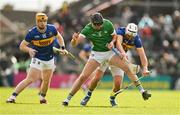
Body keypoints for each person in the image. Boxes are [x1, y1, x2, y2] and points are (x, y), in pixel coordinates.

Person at [62, 12, 151, 106]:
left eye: (100, 24)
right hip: (97, 54)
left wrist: (112, 42)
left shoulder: (108, 24)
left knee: (127, 70)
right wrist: (74, 40)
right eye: (96, 24)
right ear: (91, 22)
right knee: (87, 77)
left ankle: (142, 91)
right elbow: (74, 44)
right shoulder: (87, 29)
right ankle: (69, 99)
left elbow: (114, 37)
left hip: (111, 53)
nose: (98, 26)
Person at [6, 12, 68, 104]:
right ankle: (12, 97)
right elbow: (22, 46)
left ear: (46, 21)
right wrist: (29, 50)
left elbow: (59, 37)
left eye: (44, 21)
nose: (42, 23)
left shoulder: (52, 29)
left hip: (50, 58)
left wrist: (62, 48)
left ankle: (42, 98)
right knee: (30, 79)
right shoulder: (32, 33)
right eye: (40, 21)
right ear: (37, 22)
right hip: (38, 58)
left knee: (47, 80)